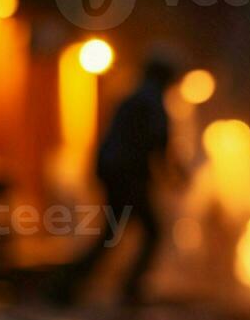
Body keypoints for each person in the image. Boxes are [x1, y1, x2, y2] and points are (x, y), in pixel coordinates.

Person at [62, 55, 184, 305]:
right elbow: (159, 143)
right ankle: (129, 289)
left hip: (115, 172)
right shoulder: (151, 103)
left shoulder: (133, 98)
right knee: (152, 232)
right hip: (127, 175)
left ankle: (66, 286)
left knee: (112, 232)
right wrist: (176, 175)